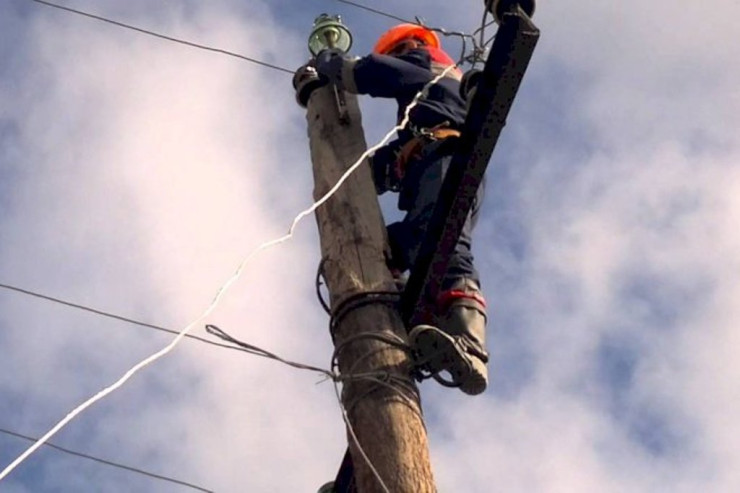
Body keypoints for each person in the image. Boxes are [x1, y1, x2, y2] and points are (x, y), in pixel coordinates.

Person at [313, 24, 489, 395]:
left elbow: (377, 73)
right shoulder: (431, 106)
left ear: (409, 46)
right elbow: (395, 159)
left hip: (445, 161)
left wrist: (332, 64)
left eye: (399, 52)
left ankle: (469, 341)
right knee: (395, 245)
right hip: (435, 165)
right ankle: (423, 321)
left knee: (442, 238)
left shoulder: (429, 67)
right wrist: (357, 176)